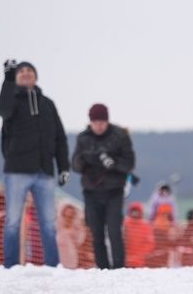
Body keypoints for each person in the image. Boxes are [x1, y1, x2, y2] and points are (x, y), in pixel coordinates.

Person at [0, 60, 70, 268]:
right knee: (12, 221)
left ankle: (53, 266)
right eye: (21, 71)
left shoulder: (48, 104)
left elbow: (60, 138)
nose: (26, 73)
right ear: (16, 77)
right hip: (17, 170)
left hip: (44, 170)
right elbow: (1, 110)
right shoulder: (11, 101)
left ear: (36, 76)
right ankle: (10, 266)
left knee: (48, 223)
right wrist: (8, 79)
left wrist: (63, 166)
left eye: (30, 71)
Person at [71, 103, 135, 269]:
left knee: (114, 231)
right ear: (90, 122)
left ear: (107, 121)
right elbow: (75, 165)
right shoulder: (83, 138)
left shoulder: (120, 136)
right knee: (96, 232)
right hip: (91, 192)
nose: (99, 126)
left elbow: (129, 164)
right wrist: (84, 160)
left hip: (114, 191)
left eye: (102, 122)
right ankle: (102, 268)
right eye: (95, 122)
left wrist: (112, 164)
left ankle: (119, 268)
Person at [123, 202, 155, 268]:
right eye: (133, 211)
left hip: (139, 261)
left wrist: (140, 254)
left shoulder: (145, 226)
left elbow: (150, 244)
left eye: (136, 211)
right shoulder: (124, 224)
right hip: (125, 260)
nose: (135, 213)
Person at [56, 203, 86, 269]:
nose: (67, 218)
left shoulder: (76, 230)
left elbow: (79, 241)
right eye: (65, 215)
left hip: (70, 259)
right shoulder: (56, 227)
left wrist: (80, 228)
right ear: (62, 214)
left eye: (70, 216)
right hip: (56, 258)